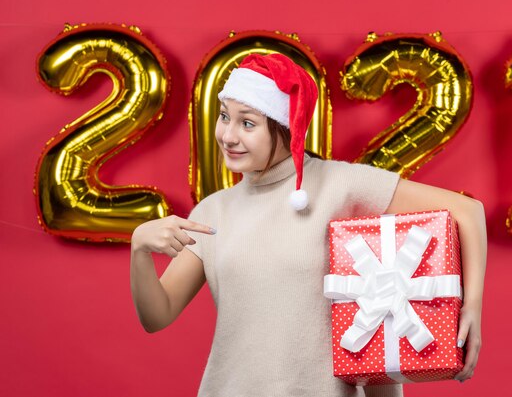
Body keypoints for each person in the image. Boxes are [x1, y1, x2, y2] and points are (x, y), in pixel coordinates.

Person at [130, 53, 487, 397]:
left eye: (248, 123)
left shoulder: (339, 184)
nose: (228, 135)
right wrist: (140, 249)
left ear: (287, 126)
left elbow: (467, 211)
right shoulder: (212, 212)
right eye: (225, 117)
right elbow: (157, 315)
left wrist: (470, 308)